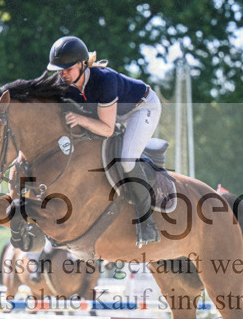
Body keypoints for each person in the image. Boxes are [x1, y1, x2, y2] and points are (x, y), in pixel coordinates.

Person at [46, 35, 162, 247]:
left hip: (142, 108)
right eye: (59, 70)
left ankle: (148, 223)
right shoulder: (66, 83)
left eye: (68, 69)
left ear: (82, 64)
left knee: (126, 160)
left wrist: (80, 119)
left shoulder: (104, 80)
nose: (63, 74)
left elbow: (107, 129)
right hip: (112, 114)